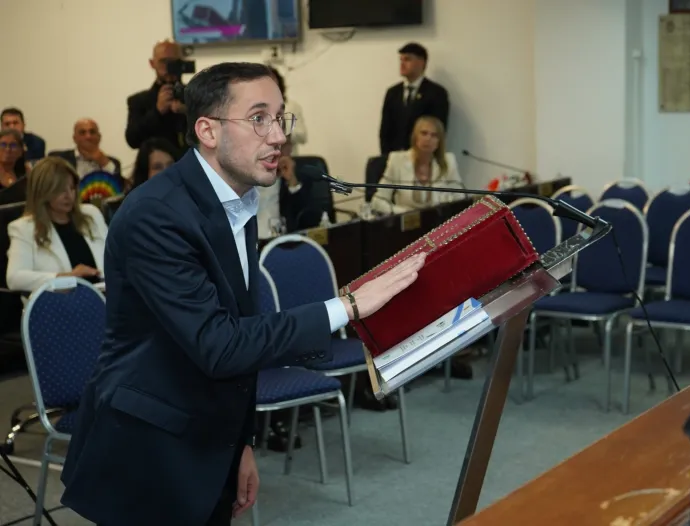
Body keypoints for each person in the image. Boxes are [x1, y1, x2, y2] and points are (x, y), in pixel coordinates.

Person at [60, 61, 425, 526]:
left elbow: (243, 332)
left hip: (210, 441)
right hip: (149, 451)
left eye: (280, 117)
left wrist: (241, 444)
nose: (279, 136)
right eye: (259, 119)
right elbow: (222, 344)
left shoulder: (236, 200)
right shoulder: (157, 215)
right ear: (208, 131)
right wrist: (347, 307)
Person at [6, 157, 106, 293]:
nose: (69, 196)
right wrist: (67, 278)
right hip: (59, 302)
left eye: (72, 188)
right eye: (61, 190)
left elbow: (115, 256)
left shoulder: (91, 214)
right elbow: (14, 278)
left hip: (104, 296)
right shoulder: (24, 228)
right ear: (43, 192)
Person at [372, 115, 464, 215]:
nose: (428, 138)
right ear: (415, 137)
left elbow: (460, 199)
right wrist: (406, 213)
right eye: (424, 133)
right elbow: (378, 201)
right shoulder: (397, 161)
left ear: (439, 142)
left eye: (434, 135)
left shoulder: (448, 161)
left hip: (439, 221)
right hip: (406, 220)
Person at [379, 42, 450, 157]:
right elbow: (385, 130)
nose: (402, 64)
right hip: (395, 157)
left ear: (421, 62)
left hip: (423, 158)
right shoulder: (393, 92)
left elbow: (438, 131)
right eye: (401, 60)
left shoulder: (436, 93)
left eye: (407, 59)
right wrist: (387, 157)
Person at [124, 40, 189, 156]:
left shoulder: (196, 96)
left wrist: (189, 112)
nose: (169, 67)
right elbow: (133, 140)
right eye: (163, 61)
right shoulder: (139, 101)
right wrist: (157, 112)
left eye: (174, 62)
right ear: (152, 63)